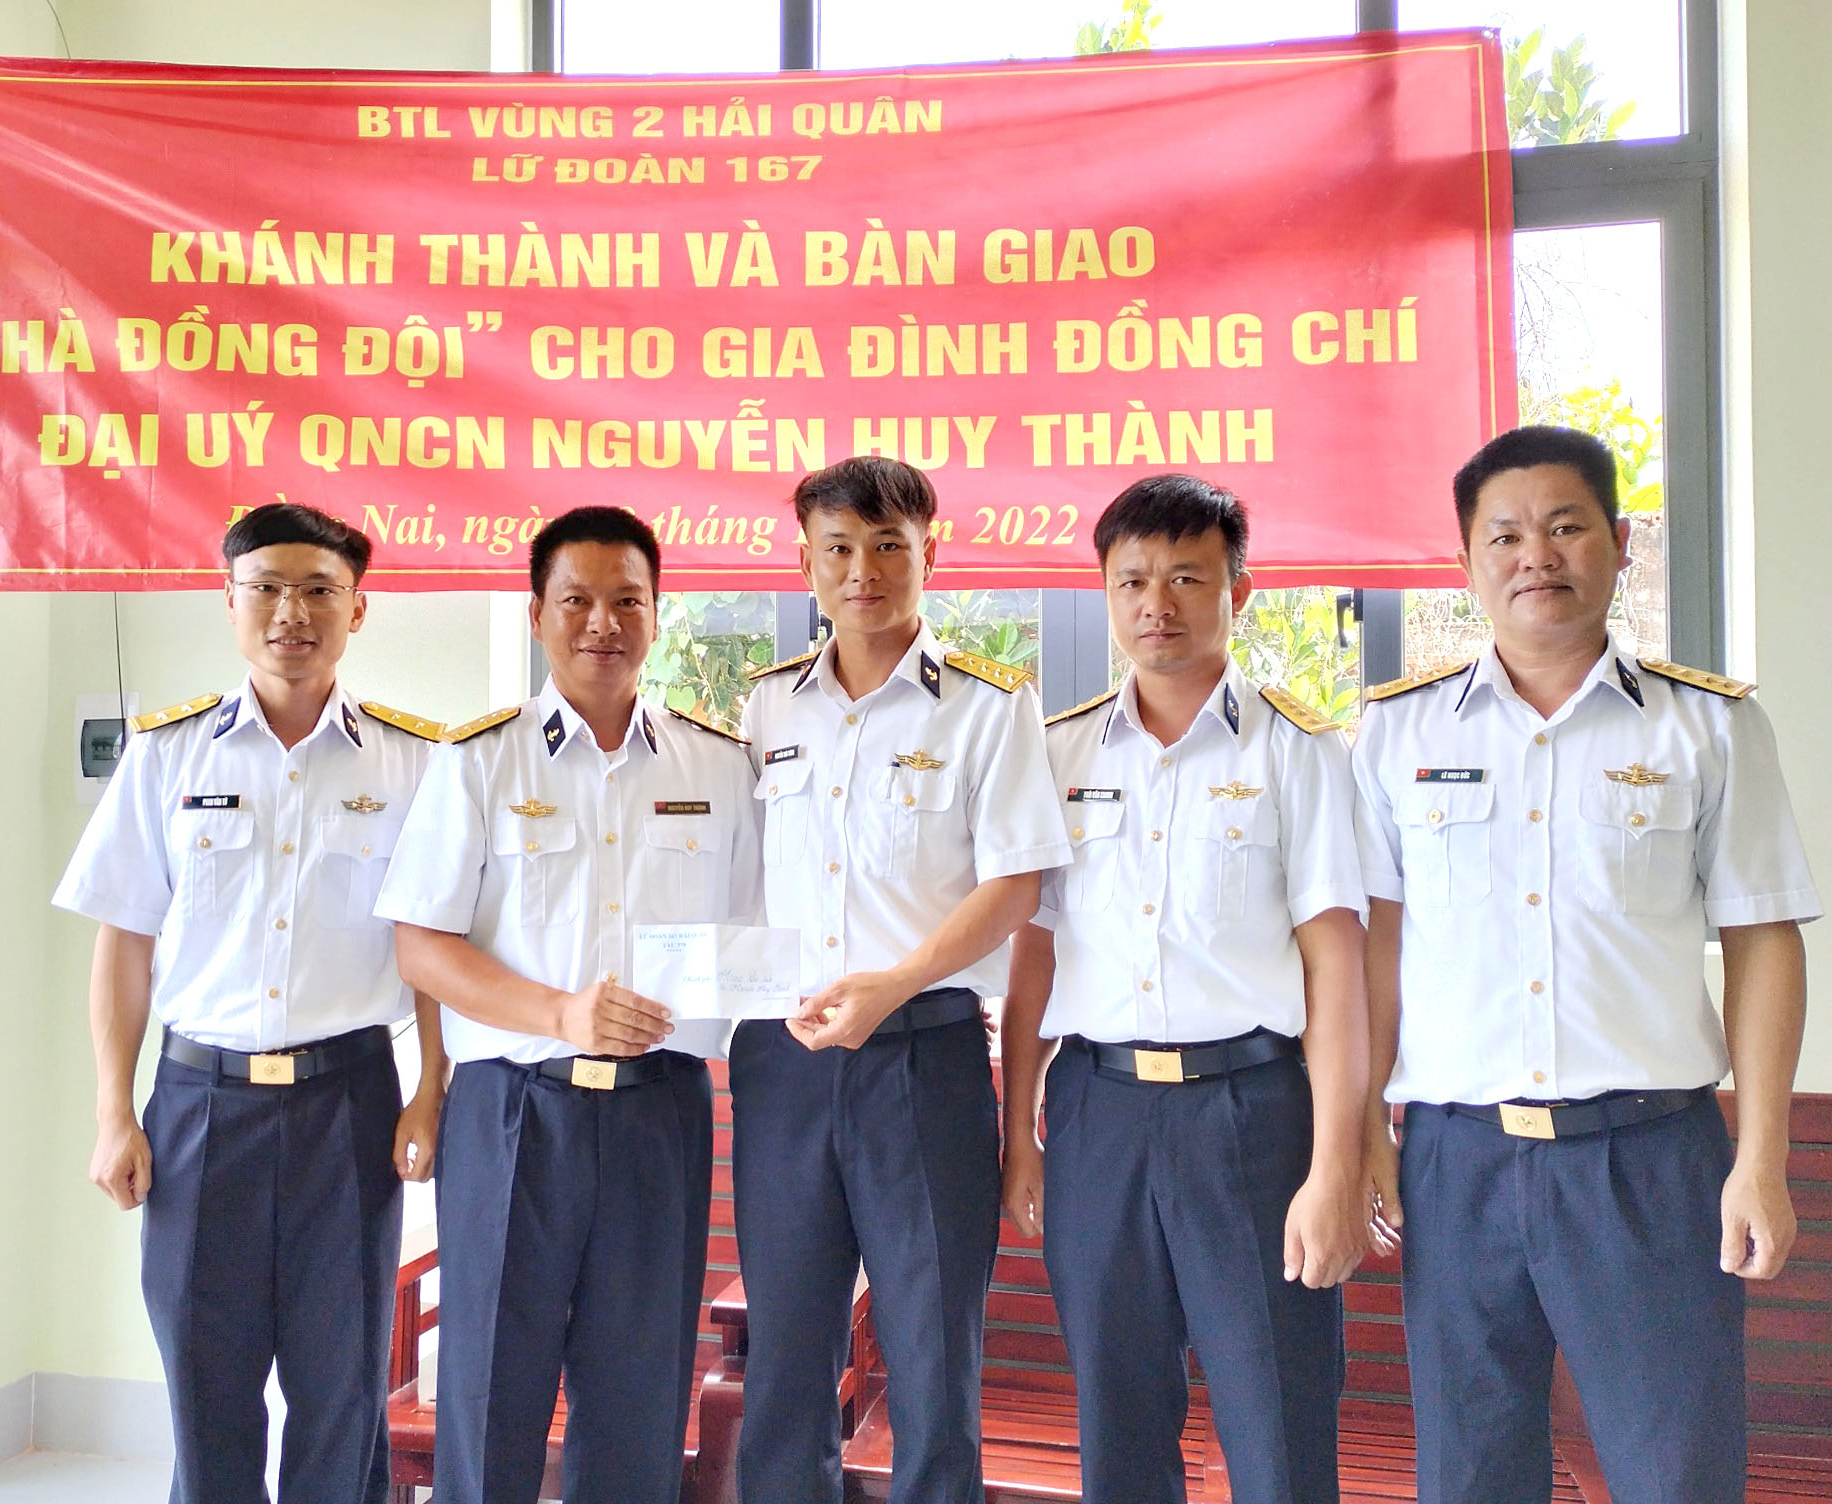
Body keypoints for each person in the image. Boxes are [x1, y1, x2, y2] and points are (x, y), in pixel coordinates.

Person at [1353, 424, 1821, 1504]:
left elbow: (1764, 939)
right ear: (1466, 560)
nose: (1537, 556)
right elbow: (1373, 949)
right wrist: (1363, 1127)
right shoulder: (1395, 734)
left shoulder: (1707, 728)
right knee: (1470, 1474)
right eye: (1505, 535)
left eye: (1566, 528)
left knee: (1677, 1470)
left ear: (1618, 542)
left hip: (1647, 1160)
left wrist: (1761, 1156)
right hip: (1455, 1159)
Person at [52, 501, 447, 1504]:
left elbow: (436, 945)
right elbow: (124, 941)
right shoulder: (167, 753)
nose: (291, 612)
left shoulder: (413, 762)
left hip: (348, 1102)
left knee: (340, 1389)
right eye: (266, 587)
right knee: (206, 1388)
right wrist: (113, 1111)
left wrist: (430, 1087)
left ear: (358, 608)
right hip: (200, 1106)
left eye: (318, 589)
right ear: (228, 602)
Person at [374, 505, 762, 1504]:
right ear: (537, 614)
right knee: (490, 1391)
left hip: (660, 1113)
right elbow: (422, 945)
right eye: (578, 600)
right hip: (514, 1112)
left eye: (627, 601)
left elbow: (756, 944)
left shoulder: (719, 768)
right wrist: (558, 1014)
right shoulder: (482, 760)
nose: (603, 623)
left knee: (639, 1393)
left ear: (658, 614)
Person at [999, 474, 1368, 1504]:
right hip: (1098, 1115)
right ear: (1105, 593)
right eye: (1132, 581)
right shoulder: (1058, 752)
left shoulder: (1298, 749)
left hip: (1251, 1114)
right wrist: (1020, 1134)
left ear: (1239, 590)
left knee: (1277, 1414)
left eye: (1186, 578)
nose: (1155, 603)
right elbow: (1035, 955)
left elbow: (1336, 965)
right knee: (1117, 1420)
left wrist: (1335, 1163)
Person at [730, 456, 1070, 1504]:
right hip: (783, 1063)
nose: (863, 571)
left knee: (931, 1350)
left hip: (924, 1059)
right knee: (787, 1351)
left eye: (889, 546)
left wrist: (894, 982)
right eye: (838, 548)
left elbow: (1016, 886)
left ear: (933, 552)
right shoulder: (767, 710)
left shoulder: (987, 708)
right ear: (805, 563)